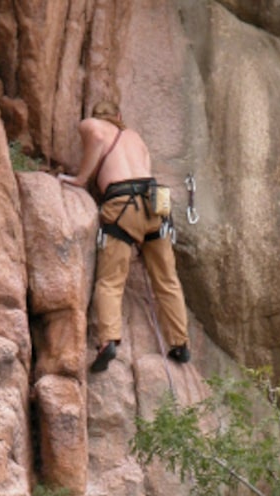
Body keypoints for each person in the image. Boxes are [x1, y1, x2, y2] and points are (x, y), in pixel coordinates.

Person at [58, 100, 191, 373]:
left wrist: (81, 179)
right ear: (119, 116)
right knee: (167, 279)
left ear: (99, 116)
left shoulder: (92, 125)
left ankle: (107, 341)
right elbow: (146, 169)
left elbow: (94, 136)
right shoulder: (135, 137)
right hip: (155, 204)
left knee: (110, 281)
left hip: (122, 204)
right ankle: (180, 343)